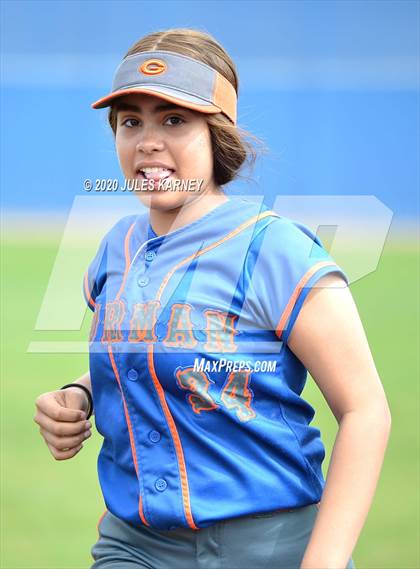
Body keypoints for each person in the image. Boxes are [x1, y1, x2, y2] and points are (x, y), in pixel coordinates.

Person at [33, 28, 391, 569]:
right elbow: (142, 360)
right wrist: (77, 396)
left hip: (271, 545)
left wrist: (325, 561)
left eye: (174, 119)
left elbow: (366, 411)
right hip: (134, 545)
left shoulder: (275, 249)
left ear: (216, 135)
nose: (148, 141)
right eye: (131, 121)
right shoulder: (116, 250)